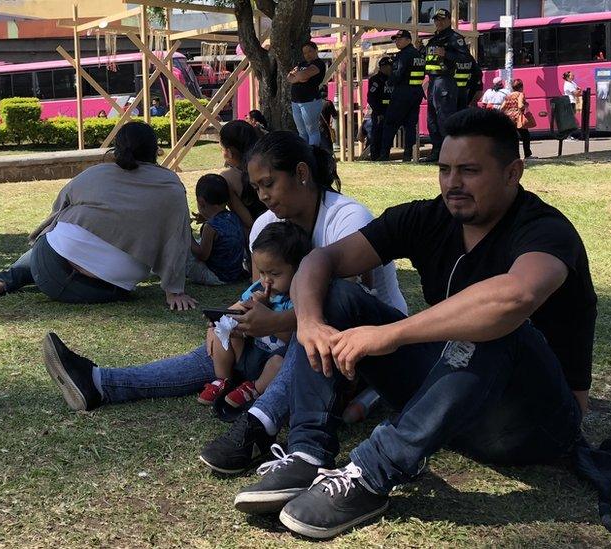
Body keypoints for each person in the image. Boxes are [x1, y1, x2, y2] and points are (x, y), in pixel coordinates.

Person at [232, 108, 596, 539]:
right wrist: (309, 322)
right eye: (444, 169)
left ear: (513, 172)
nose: (453, 183)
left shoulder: (546, 230)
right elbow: (320, 259)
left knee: (494, 324)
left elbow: (515, 297)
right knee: (335, 294)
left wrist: (392, 334)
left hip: (534, 423)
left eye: (470, 170)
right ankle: (308, 454)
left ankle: (371, 475)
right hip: (451, 398)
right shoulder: (428, 218)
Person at [39, 132, 408, 438]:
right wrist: (234, 321)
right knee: (215, 350)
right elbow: (261, 294)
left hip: (358, 347)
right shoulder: (266, 227)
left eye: (269, 184)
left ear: (300, 173)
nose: (262, 196)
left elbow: (345, 308)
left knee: (302, 339)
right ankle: (101, 383)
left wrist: (274, 324)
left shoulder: (346, 219)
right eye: (255, 187)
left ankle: (258, 423)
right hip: (280, 345)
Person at [0, 122, 197, 310]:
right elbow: (177, 238)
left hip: (47, 267)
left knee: (68, 219)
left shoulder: (95, 174)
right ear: (155, 149)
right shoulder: (170, 187)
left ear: (117, 148)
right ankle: (0, 282)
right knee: (71, 227)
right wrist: (174, 291)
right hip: (104, 290)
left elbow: (58, 207)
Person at [197, 222, 311, 408]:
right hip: (250, 354)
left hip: (273, 361)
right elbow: (238, 309)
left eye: (274, 273)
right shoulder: (259, 288)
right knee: (221, 335)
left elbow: (294, 338)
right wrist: (223, 320)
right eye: (262, 272)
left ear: (298, 269)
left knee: (279, 363)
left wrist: (268, 316)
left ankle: (255, 389)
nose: (266, 280)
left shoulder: (297, 297)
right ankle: (223, 380)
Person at [422, 8, 474, 162]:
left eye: (441, 19)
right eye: (436, 19)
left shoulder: (454, 38)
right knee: (431, 119)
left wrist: (446, 54)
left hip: (445, 81)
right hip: (432, 81)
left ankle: (451, 154)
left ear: (449, 20)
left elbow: (466, 60)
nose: (438, 22)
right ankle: (437, 152)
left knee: (445, 118)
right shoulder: (435, 39)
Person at [188, 174, 248, 286]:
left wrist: (188, 234)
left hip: (216, 276)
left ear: (201, 202)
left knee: (185, 251)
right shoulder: (234, 216)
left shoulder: (210, 227)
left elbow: (202, 255)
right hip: (234, 273)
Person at [379, 30, 426, 162]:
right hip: (416, 93)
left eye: (400, 39)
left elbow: (397, 74)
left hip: (402, 93)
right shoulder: (418, 55)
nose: (397, 42)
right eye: (396, 39)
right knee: (410, 126)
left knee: (390, 123)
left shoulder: (403, 55)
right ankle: (408, 155)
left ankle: (384, 155)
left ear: (408, 40)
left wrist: (389, 81)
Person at [218, 120, 266, 233]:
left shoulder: (228, 178)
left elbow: (247, 222)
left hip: (256, 236)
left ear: (229, 152)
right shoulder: (268, 163)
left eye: (221, 148)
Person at [288, 41, 327, 146]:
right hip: (296, 101)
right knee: (301, 131)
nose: (307, 55)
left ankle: (313, 152)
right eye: (305, 53)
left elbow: (301, 75)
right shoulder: (302, 64)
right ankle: (304, 153)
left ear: (316, 50)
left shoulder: (319, 64)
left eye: (310, 51)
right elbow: (289, 77)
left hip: (310, 101)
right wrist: (300, 77)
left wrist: (299, 76)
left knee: (311, 129)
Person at [365, 57, 393, 161]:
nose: (390, 69)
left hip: (391, 112)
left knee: (388, 136)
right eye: (388, 67)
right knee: (377, 135)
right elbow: (371, 98)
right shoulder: (376, 80)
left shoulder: (393, 79)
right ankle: (376, 156)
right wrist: (379, 112)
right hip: (379, 113)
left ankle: (385, 155)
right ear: (382, 67)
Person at [501, 79, 534, 159]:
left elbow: (502, 108)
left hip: (509, 118)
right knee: (525, 135)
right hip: (517, 118)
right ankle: (527, 154)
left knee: (513, 137)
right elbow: (520, 106)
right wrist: (525, 105)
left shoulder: (508, 96)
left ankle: (514, 156)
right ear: (521, 87)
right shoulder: (520, 94)